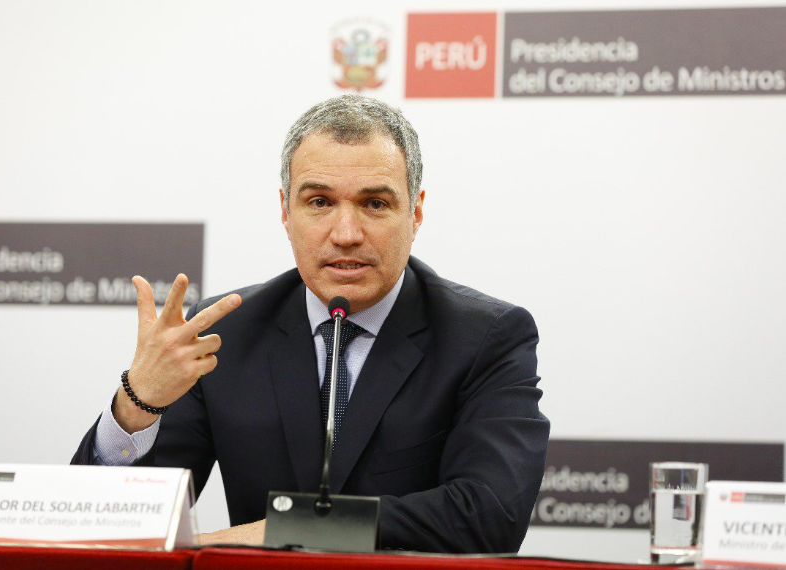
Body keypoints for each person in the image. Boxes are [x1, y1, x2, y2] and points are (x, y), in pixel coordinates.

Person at [72, 94, 549, 553]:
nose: (346, 234)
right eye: (320, 202)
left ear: (416, 212)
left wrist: (286, 529)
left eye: (375, 204)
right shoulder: (224, 333)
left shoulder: (485, 337)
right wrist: (138, 402)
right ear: (285, 211)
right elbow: (109, 525)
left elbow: (489, 517)